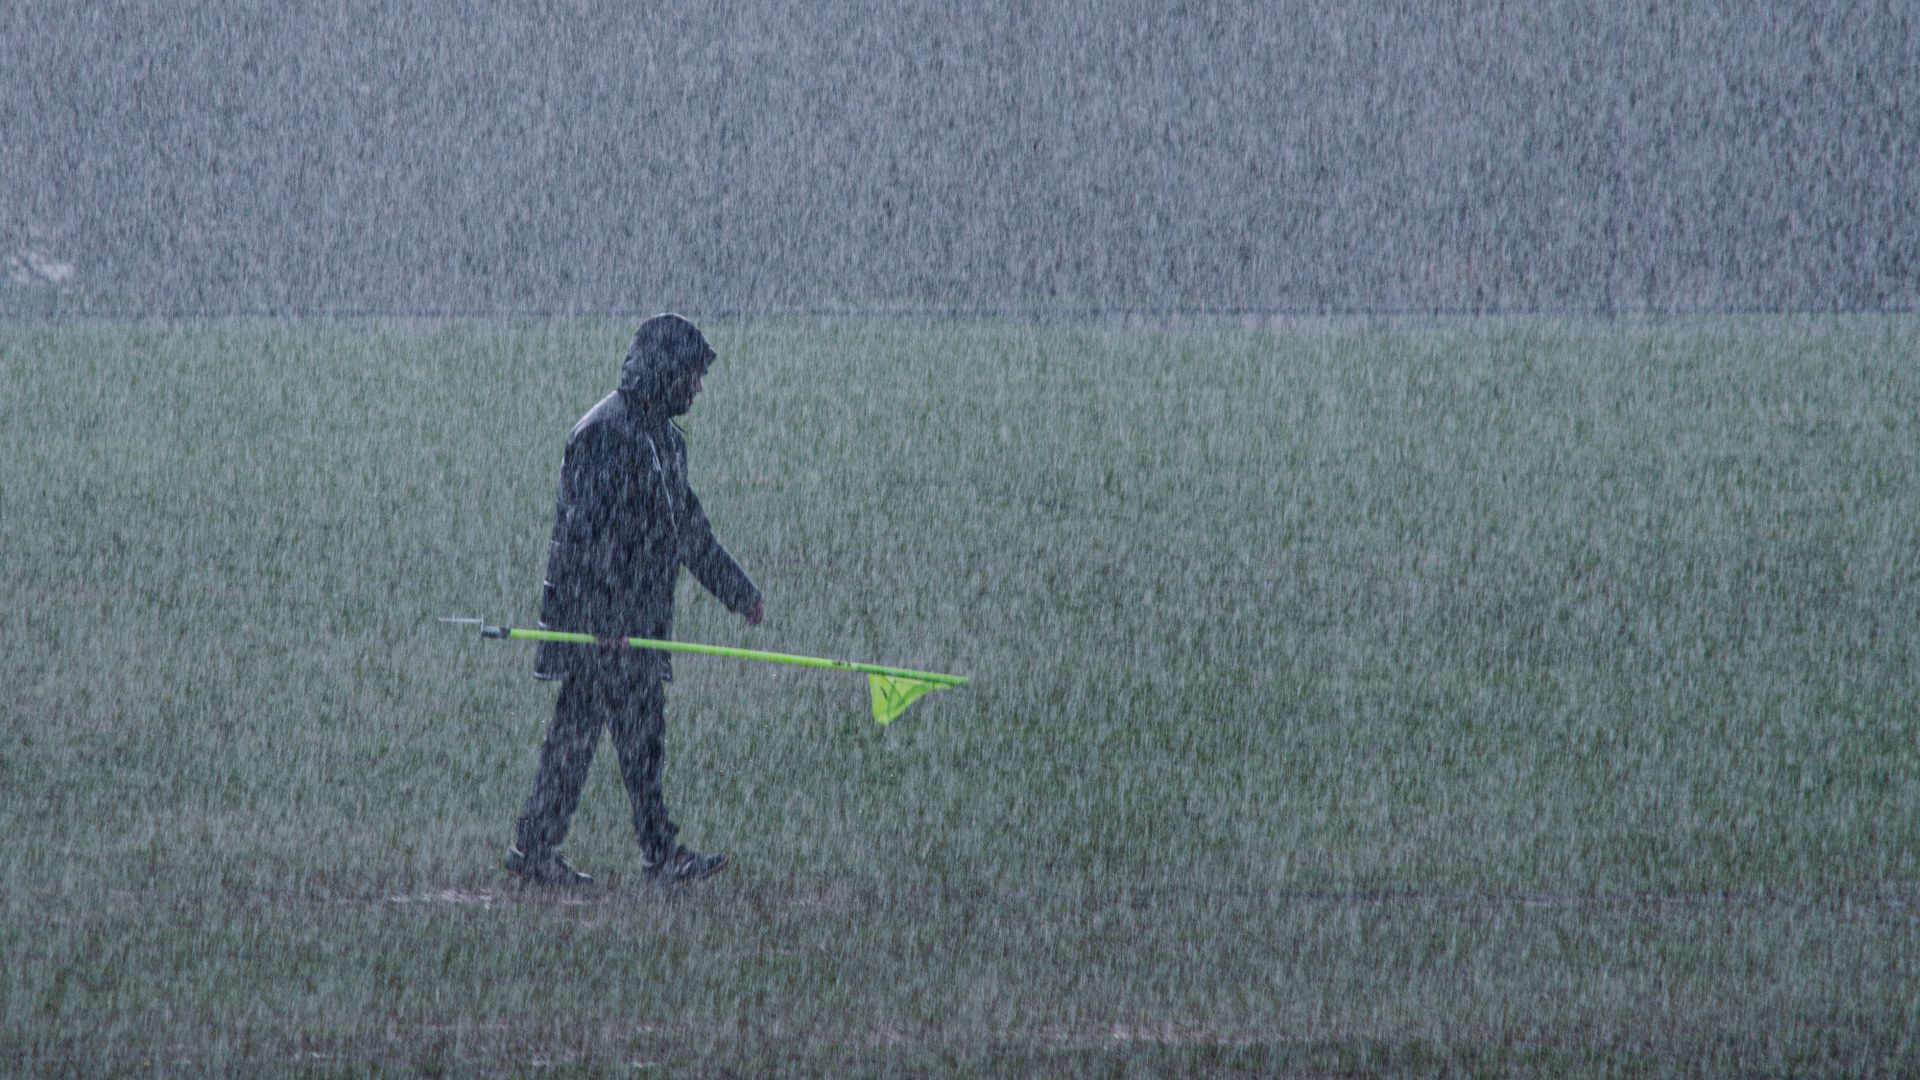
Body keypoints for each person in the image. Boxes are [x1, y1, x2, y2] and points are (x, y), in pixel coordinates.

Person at [505, 314, 763, 887]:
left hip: (637, 619)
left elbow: (688, 530)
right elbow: (582, 540)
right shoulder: (605, 434)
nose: (698, 388)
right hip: (598, 623)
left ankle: (561, 848)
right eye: (692, 376)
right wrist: (604, 620)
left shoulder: (665, 440)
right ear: (665, 373)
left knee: (626, 733)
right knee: (592, 733)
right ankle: (637, 852)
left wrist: (739, 592)